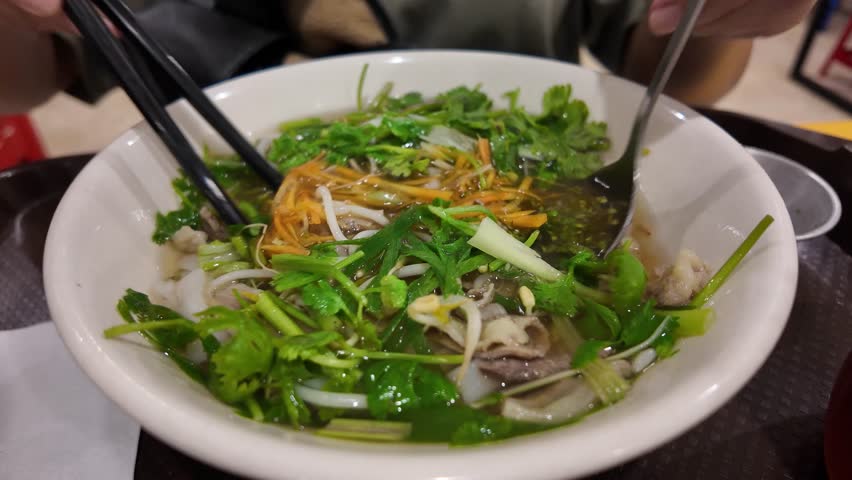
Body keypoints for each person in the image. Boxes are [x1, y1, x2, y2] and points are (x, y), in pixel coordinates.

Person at [0, 0, 817, 115]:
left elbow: (684, 82)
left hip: (541, 149)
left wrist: (726, 16)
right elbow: (35, 79)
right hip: (291, 176)